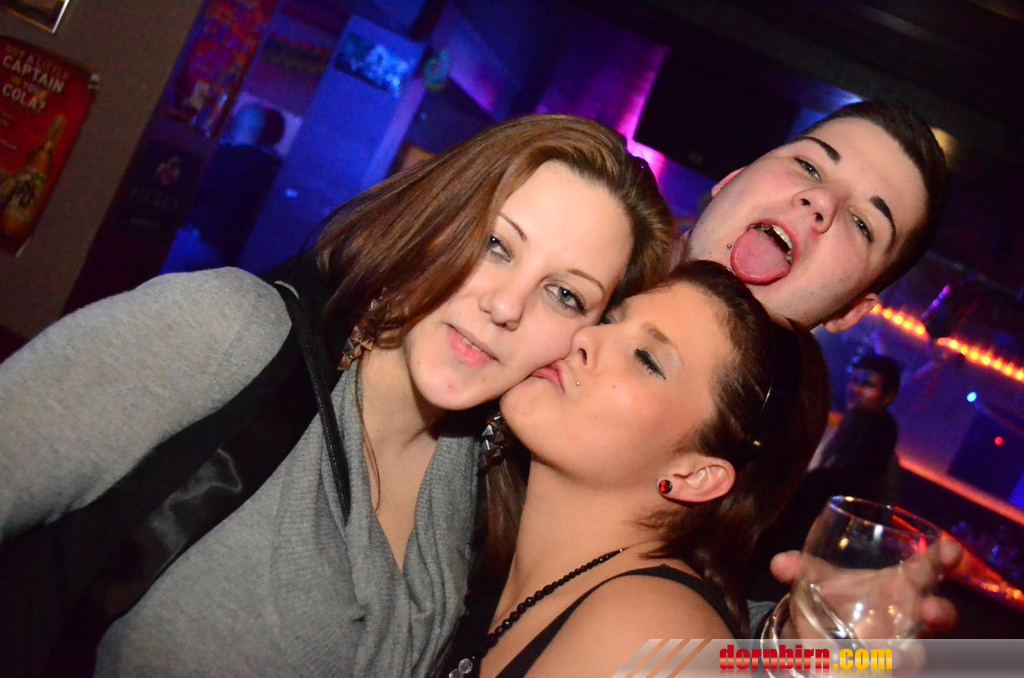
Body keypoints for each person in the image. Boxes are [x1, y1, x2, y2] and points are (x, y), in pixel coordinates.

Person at [0, 114, 674, 677]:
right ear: (437, 220)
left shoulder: (479, 502)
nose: (506, 305)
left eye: (565, 294)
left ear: (583, 340)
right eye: (496, 244)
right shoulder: (228, 333)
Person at [437, 261, 831, 677]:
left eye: (646, 359)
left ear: (694, 476)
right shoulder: (487, 550)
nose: (586, 337)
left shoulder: (653, 632)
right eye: (610, 319)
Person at [745, 353, 904, 601]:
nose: (857, 389)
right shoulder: (836, 426)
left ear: (888, 396)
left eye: (868, 384)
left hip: (812, 550)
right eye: (855, 380)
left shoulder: (871, 440)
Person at [160, 102, 287, 273]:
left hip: (194, 240)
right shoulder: (267, 171)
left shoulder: (226, 158)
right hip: (219, 254)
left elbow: (194, 191)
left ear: (236, 123)